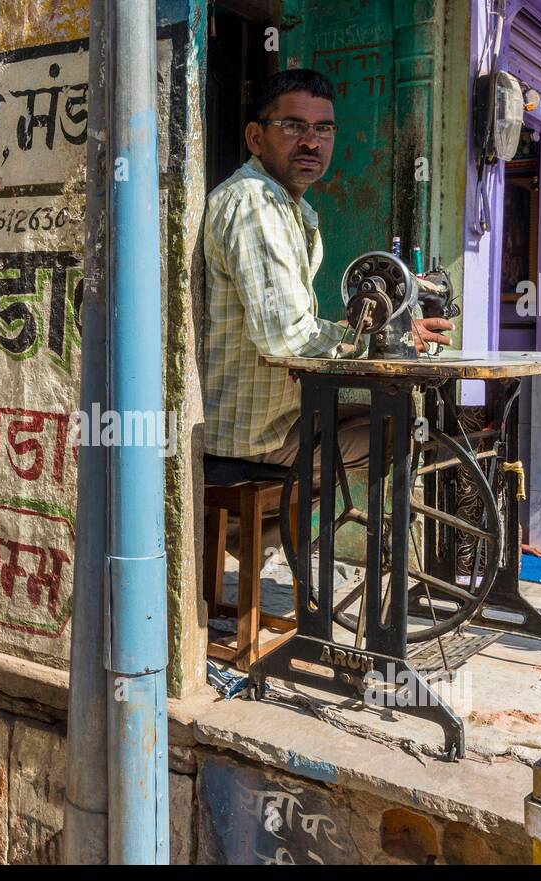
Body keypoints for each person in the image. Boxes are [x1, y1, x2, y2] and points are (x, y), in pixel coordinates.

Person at [202, 68, 454, 561]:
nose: (311, 142)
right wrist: (383, 341)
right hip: (247, 433)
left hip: (273, 417)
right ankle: (249, 546)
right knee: (394, 429)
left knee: (393, 418)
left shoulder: (286, 207)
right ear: (256, 136)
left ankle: (253, 546)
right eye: (293, 126)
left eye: (324, 129)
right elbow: (286, 338)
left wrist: (386, 333)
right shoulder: (255, 205)